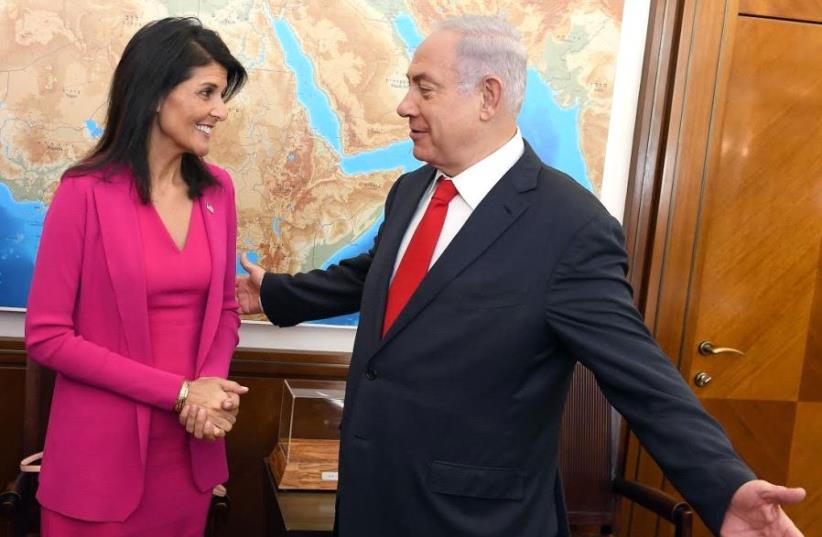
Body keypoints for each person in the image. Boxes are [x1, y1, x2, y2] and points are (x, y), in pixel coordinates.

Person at [235, 16, 805, 537]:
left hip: (474, 518)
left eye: (423, 88)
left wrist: (724, 485)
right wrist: (276, 293)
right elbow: (378, 274)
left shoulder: (572, 228)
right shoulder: (413, 189)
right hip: (371, 495)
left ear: (488, 96)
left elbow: (641, 376)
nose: (404, 106)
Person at [25, 17, 249, 536]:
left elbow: (224, 309)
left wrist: (208, 390)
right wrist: (179, 392)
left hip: (189, 450)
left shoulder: (219, 190)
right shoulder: (84, 192)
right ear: (154, 94)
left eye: (223, 93)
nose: (221, 110)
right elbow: (47, 336)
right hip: (98, 462)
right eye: (207, 92)